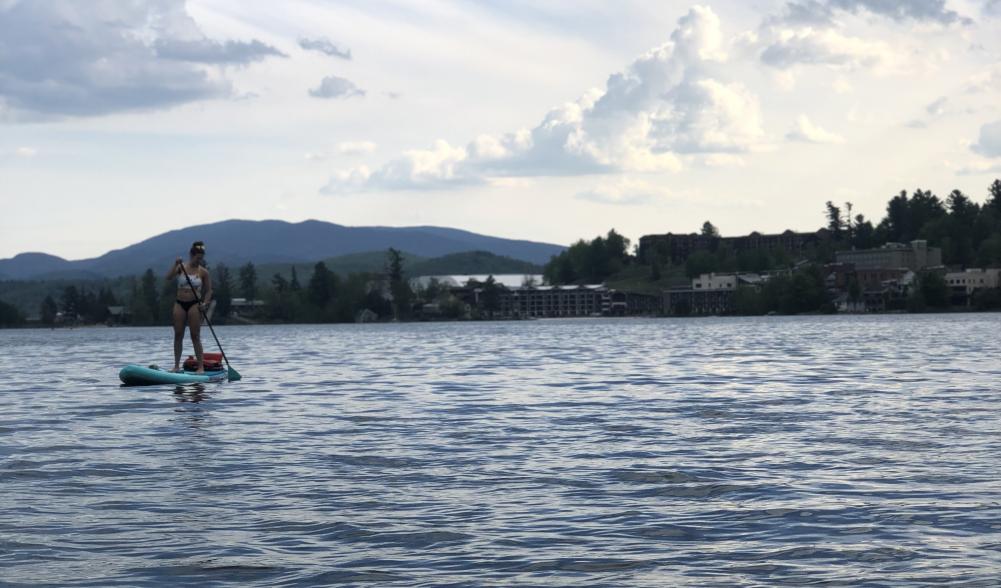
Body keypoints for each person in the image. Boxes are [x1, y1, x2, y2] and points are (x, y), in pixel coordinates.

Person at [166, 241, 213, 373]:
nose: (199, 260)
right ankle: (176, 366)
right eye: (197, 258)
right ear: (191, 255)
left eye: (201, 258)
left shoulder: (203, 272)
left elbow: (209, 291)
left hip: (194, 304)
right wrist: (175, 264)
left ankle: (200, 367)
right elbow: (168, 277)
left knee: (195, 335)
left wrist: (205, 303)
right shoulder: (181, 267)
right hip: (180, 303)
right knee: (178, 334)